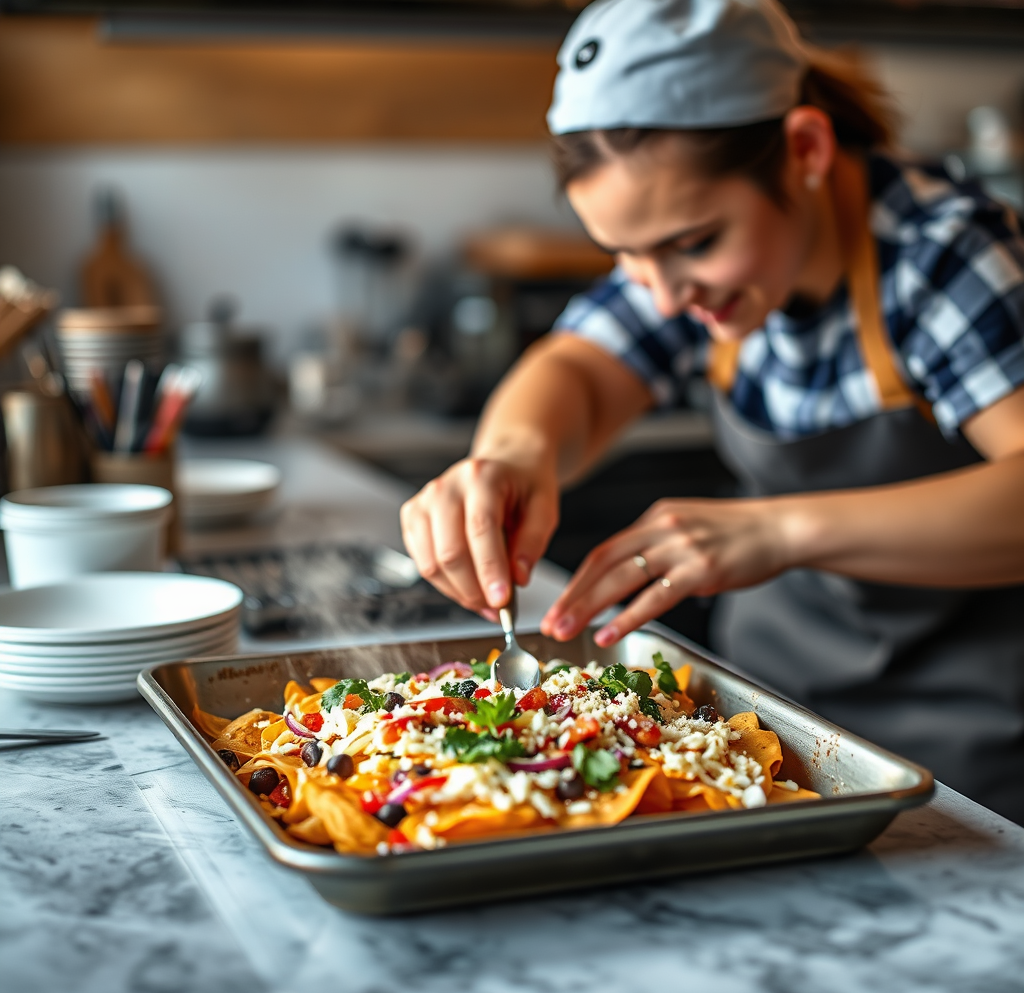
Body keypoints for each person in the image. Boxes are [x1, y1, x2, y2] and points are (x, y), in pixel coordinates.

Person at [400, 0, 1024, 823]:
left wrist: (775, 531)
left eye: (694, 243)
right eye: (625, 254)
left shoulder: (941, 256)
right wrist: (513, 458)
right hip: (770, 731)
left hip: (964, 769)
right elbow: (578, 371)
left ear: (804, 149)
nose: (661, 292)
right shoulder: (695, 267)